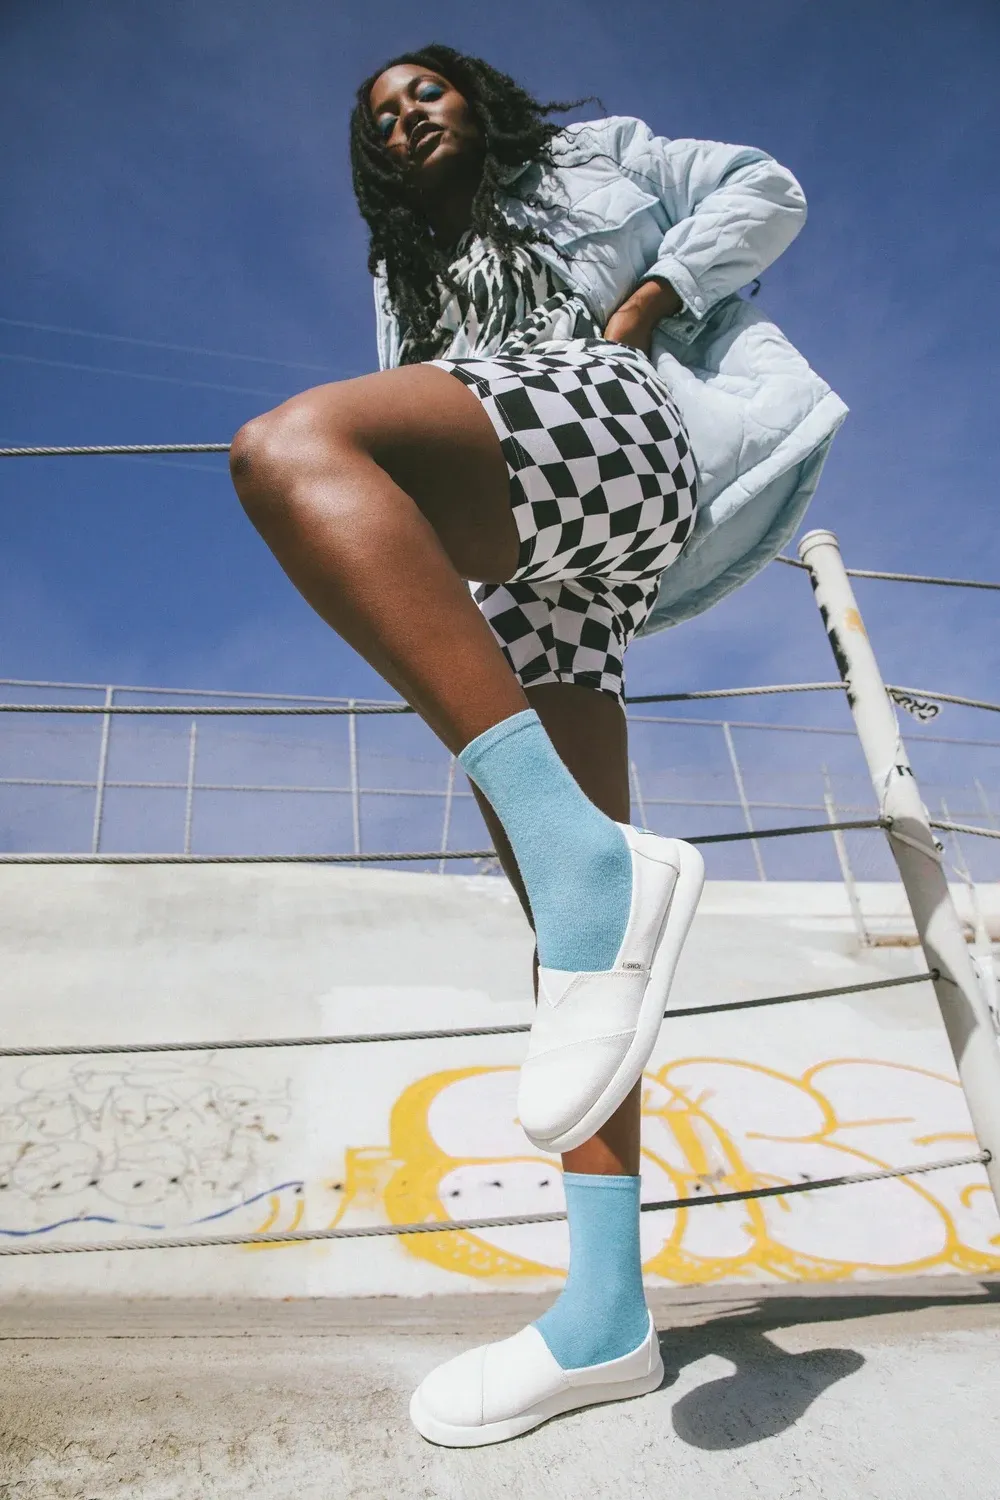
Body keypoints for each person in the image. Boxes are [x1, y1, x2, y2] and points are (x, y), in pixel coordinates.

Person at [229, 44, 846, 1447]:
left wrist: (641, 309)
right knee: (578, 954)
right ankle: (608, 1316)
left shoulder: (595, 159)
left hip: (621, 421)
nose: (406, 119)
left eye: (425, 93)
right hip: (543, 558)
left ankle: (593, 866)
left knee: (291, 451)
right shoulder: (408, 277)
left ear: (475, 100)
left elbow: (765, 188)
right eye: (381, 117)